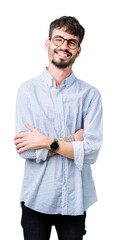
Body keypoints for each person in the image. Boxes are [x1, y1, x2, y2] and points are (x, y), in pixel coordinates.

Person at [14, 16, 103, 240]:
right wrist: (73, 140)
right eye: (59, 39)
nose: (64, 46)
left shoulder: (90, 95)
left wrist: (46, 141)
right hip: (36, 199)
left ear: (78, 50)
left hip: (75, 201)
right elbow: (26, 150)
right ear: (48, 43)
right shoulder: (27, 91)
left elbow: (91, 152)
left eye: (71, 42)